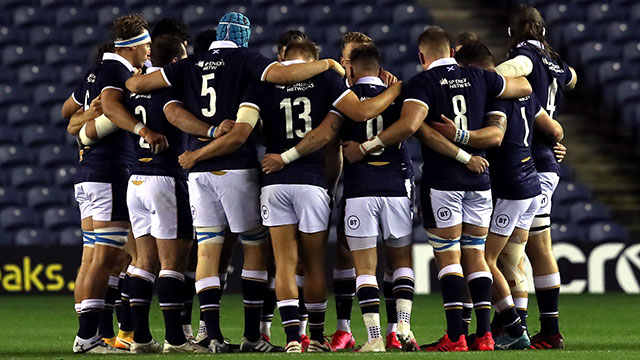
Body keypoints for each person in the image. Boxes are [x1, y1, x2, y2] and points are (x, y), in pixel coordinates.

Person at [125, 12, 347, 353]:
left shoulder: (190, 63)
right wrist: (327, 64)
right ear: (243, 36)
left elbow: (137, 87)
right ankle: (252, 336)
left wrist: (138, 77)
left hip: (198, 173)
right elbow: (283, 73)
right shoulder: (245, 59)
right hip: (235, 167)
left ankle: (209, 334)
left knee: (208, 250)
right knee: (256, 246)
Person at [343, 26, 532, 352]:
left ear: (421, 56)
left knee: (449, 259)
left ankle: (456, 337)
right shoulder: (479, 76)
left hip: (444, 181)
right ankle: (485, 336)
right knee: (476, 255)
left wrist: (365, 147)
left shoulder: (422, 83)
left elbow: (414, 127)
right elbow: (524, 86)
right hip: (480, 179)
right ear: (452, 53)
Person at [261, 44, 418, 352]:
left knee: (347, 267)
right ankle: (400, 326)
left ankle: (359, 337)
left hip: (353, 188)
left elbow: (330, 135)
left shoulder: (338, 96)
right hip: (394, 186)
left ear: (353, 68)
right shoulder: (397, 95)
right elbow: (412, 128)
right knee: (399, 263)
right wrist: (397, 88)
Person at [435, 41, 563, 349]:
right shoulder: (524, 90)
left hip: (512, 187)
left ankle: (514, 328)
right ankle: (513, 326)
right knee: (511, 260)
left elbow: (495, 135)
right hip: (531, 183)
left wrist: (458, 135)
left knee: (483, 258)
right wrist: (553, 145)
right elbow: (555, 130)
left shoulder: (492, 94)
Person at [60, 14, 165, 354]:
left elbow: (68, 115)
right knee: (104, 258)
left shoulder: (97, 72)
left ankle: (93, 335)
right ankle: (88, 337)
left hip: (90, 173)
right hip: (108, 172)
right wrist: (141, 129)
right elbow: (107, 106)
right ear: (134, 47)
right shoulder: (116, 72)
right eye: (146, 45)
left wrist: (88, 117)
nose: (149, 51)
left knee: (93, 257)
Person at [122, 34, 216, 354]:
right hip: (165, 178)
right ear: (176, 61)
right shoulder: (170, 90)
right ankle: (176, 339)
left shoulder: (133, 90)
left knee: (142, 261)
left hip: (135, 179)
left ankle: (141, 338)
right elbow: (176, 116)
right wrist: (210, 131)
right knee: (172, 263)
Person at [496, 5, 577, 349]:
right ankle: (527, 328)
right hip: (544, 156)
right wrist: (556, 137)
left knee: (532, 247)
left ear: (513, 32)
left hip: (534, 161)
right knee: (523, 247)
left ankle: (539, 329)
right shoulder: (554, 60)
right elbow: (572, 78)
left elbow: (501, 74)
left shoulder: (525, 58)